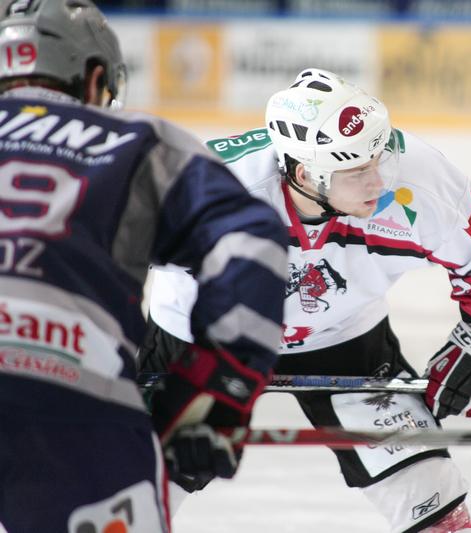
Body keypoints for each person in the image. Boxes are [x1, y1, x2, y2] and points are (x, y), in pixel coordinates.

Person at [144, 68, 471, 532]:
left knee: (428, 492)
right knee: (136, 484)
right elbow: (99, 257)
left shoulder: (419, 182)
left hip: (344, 334)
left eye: (381, 158)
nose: (381, 181)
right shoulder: (209, 190)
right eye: (360, 170)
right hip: (204, 339)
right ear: (308, 173)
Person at [0, 1, 287, 532]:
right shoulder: (140, 142)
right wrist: (221, 386)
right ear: (94, 77)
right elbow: (251, 242)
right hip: (72, 401)